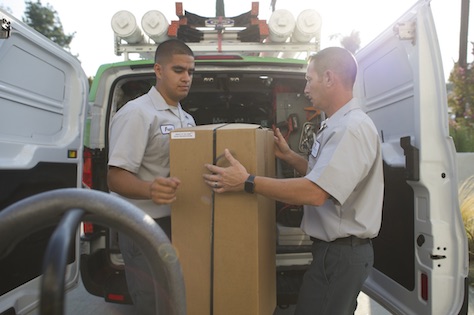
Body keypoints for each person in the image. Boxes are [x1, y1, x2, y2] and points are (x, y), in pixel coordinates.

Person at [203, 47, 384, 315]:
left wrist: (247, 182)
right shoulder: (338, 125)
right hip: (335, 253)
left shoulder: (351, 129)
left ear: (330, 78)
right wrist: (290, 157)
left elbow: (315, 193)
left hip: (340, 255)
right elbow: (323, 175)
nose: (306, 89)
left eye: (310, 80)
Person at [107, 38, 196, 315]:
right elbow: (115, 177)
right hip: (142, 228)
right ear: (158, 70)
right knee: (153, 304)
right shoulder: (137, 114)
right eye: (178, 70)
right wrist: (150, 189)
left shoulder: (187, 120)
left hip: (177, 224)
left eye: (191, 72)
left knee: (176, 300)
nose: (186, 78)